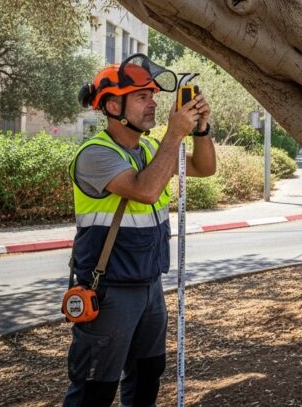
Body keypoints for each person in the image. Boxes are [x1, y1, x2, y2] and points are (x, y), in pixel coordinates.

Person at [64, 55, 216, 407]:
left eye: (152, 95)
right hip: (109, 292)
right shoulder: (95, 155)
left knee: (148, 377)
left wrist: (201, 130)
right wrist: (175, 133)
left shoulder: (148, 148)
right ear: (113, 105)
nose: (153, 103)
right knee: (94, 390)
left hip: (149, 286)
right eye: (141, 96)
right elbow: (145, 190)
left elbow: (205, 168)